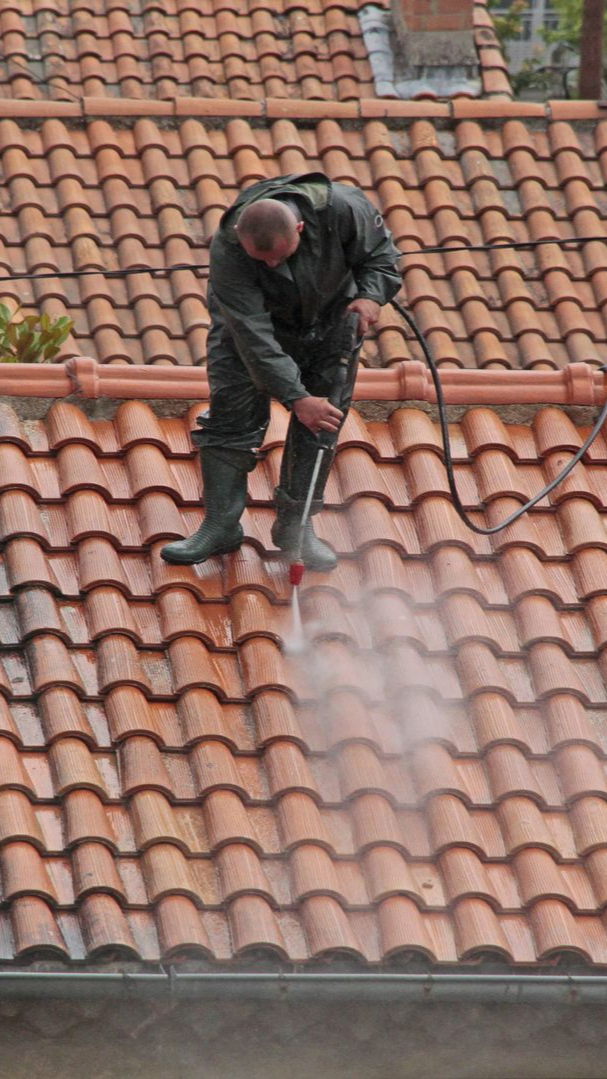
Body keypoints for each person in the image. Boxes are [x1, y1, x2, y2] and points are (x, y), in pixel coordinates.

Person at [160, 171, 401, 572]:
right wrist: (294, 396)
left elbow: (382, 259)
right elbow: (254, 337)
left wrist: (371, 297)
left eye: (280, 256)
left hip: (329, 326)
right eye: (263, 259)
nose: (271, 264)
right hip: (248, 334)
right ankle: (220, 525)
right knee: (230, 417)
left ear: (302, 228)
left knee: (321, 420)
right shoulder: (228, 247)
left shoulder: (344, 209)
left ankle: (296, 527)